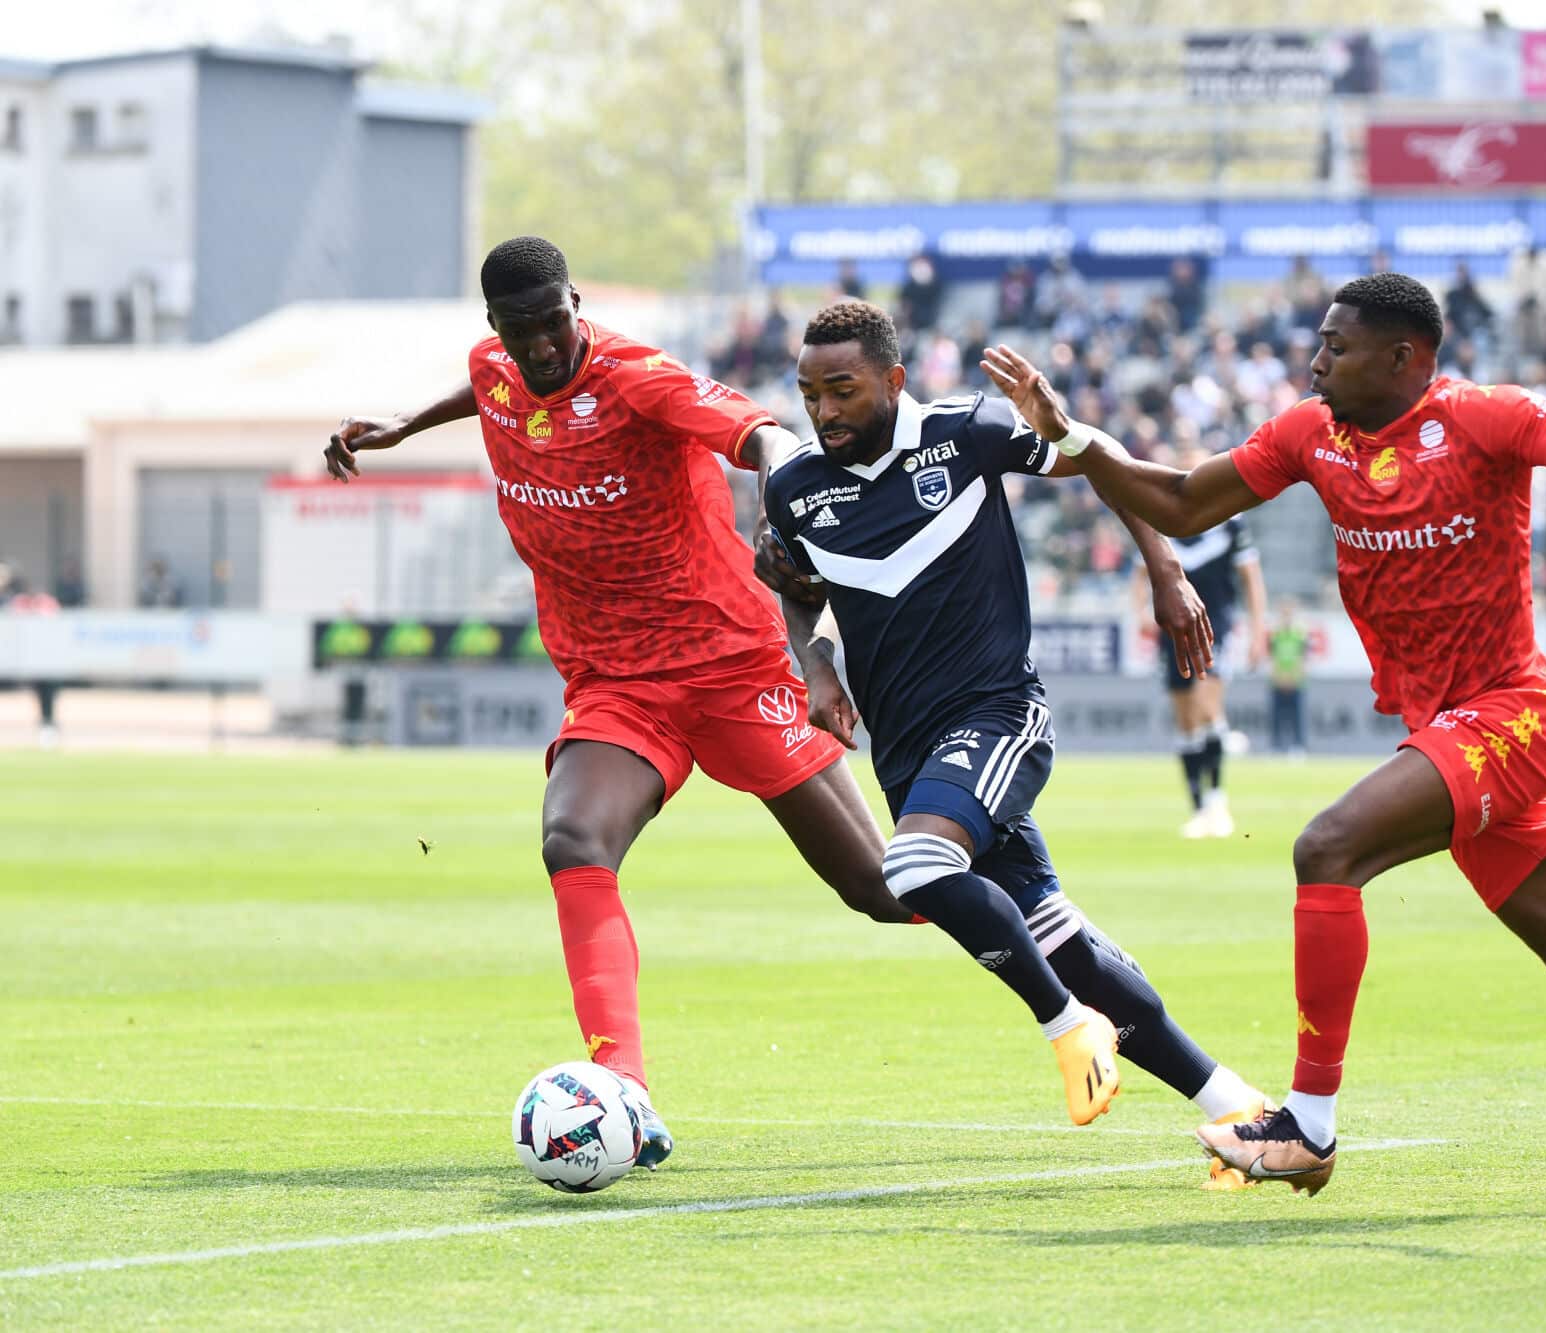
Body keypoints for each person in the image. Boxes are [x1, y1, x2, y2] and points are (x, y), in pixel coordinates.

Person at [982, 273, 1546, 1197]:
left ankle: (1309, 1124)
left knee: (1329, 848)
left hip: (1513, 714)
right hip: (1449, 729)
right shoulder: (1314, 432)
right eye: (1318, 344)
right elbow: (1182, 501)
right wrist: (1071, 436)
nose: (1314, 361)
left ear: (1404, 358)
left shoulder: (1482, 417)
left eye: (1336, 349)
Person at [319, 240, 1213, 1169]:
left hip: (735, 664)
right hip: (616, 680)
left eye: (556, 322)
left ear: (576, 302)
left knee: (887, 887)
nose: (543, 345)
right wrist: (401, 425)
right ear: (496, 329)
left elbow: (765, 435)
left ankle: (1061, 957)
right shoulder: (497, 369)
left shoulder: (638, 377)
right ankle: (624, 1081)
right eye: (520, 329)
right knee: (572, 840)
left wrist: (784, 500)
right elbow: (503, 392)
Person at [756, 300, 1271, 1178]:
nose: (826, 411)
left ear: (894, 380)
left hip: (999, 716)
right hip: (908, 753)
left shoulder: (968, 433)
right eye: (810, 395)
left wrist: (1164, 566)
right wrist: (818, 668)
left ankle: (1068, 1025)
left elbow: (1103, 467)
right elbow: (796, 578)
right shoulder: (797, 486)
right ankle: (1239, 1107)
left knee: (914, 869)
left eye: (842, 390)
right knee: (1059, 937)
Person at [1133, 443, 1267, 838]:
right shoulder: (1162, 518)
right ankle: (1198, 807)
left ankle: (1217, 801)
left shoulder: (1230, 521)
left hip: (1215, 624)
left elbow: (1251, 578)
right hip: (1172, 625)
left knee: (1208, 705)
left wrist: (1259, 628)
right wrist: (1139, 613)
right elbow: (1141, 575)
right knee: (1186, 717)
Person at [1267, 597, 1309, 757]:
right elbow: (1271, 658)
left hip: (1296, 681)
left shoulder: (1299, 634)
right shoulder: (1275, 634)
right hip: (1278, 681)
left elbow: (1303, 658)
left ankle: (1298, 746)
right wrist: (1278, 676)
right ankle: (1276, 746)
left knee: (1296, 716)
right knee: (1276, 716)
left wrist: (1294, 676)